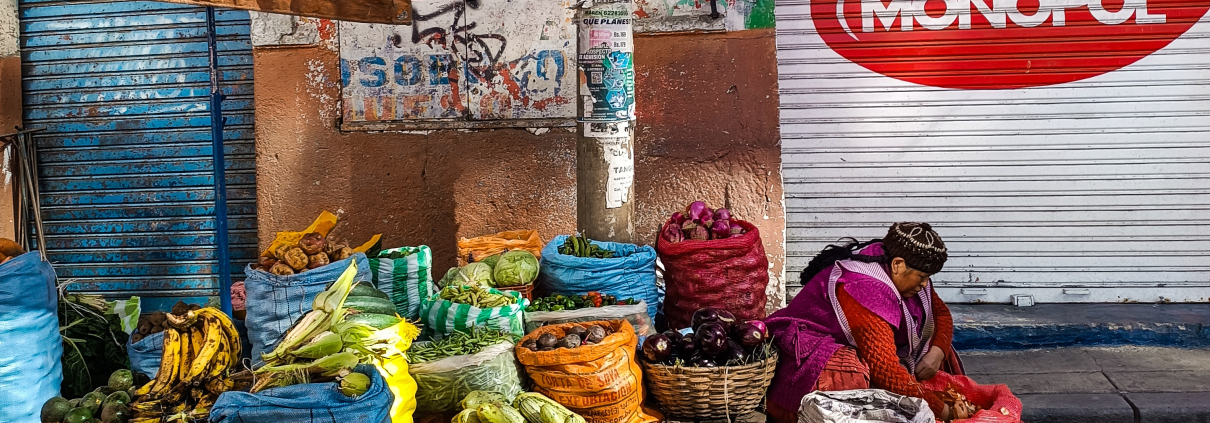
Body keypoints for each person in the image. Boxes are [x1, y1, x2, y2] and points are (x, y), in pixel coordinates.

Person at [764, 222, 965, 422]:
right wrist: (942, 411)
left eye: (928, 277)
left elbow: (940, 314)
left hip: (866, 344)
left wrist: (937, 352)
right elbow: (886, 371)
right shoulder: (865, 289)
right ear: (897, 265)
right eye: (921, 277)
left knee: (936, 344)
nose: (924, 284)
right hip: (805, 348)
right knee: (847, 371)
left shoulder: (902, 269)